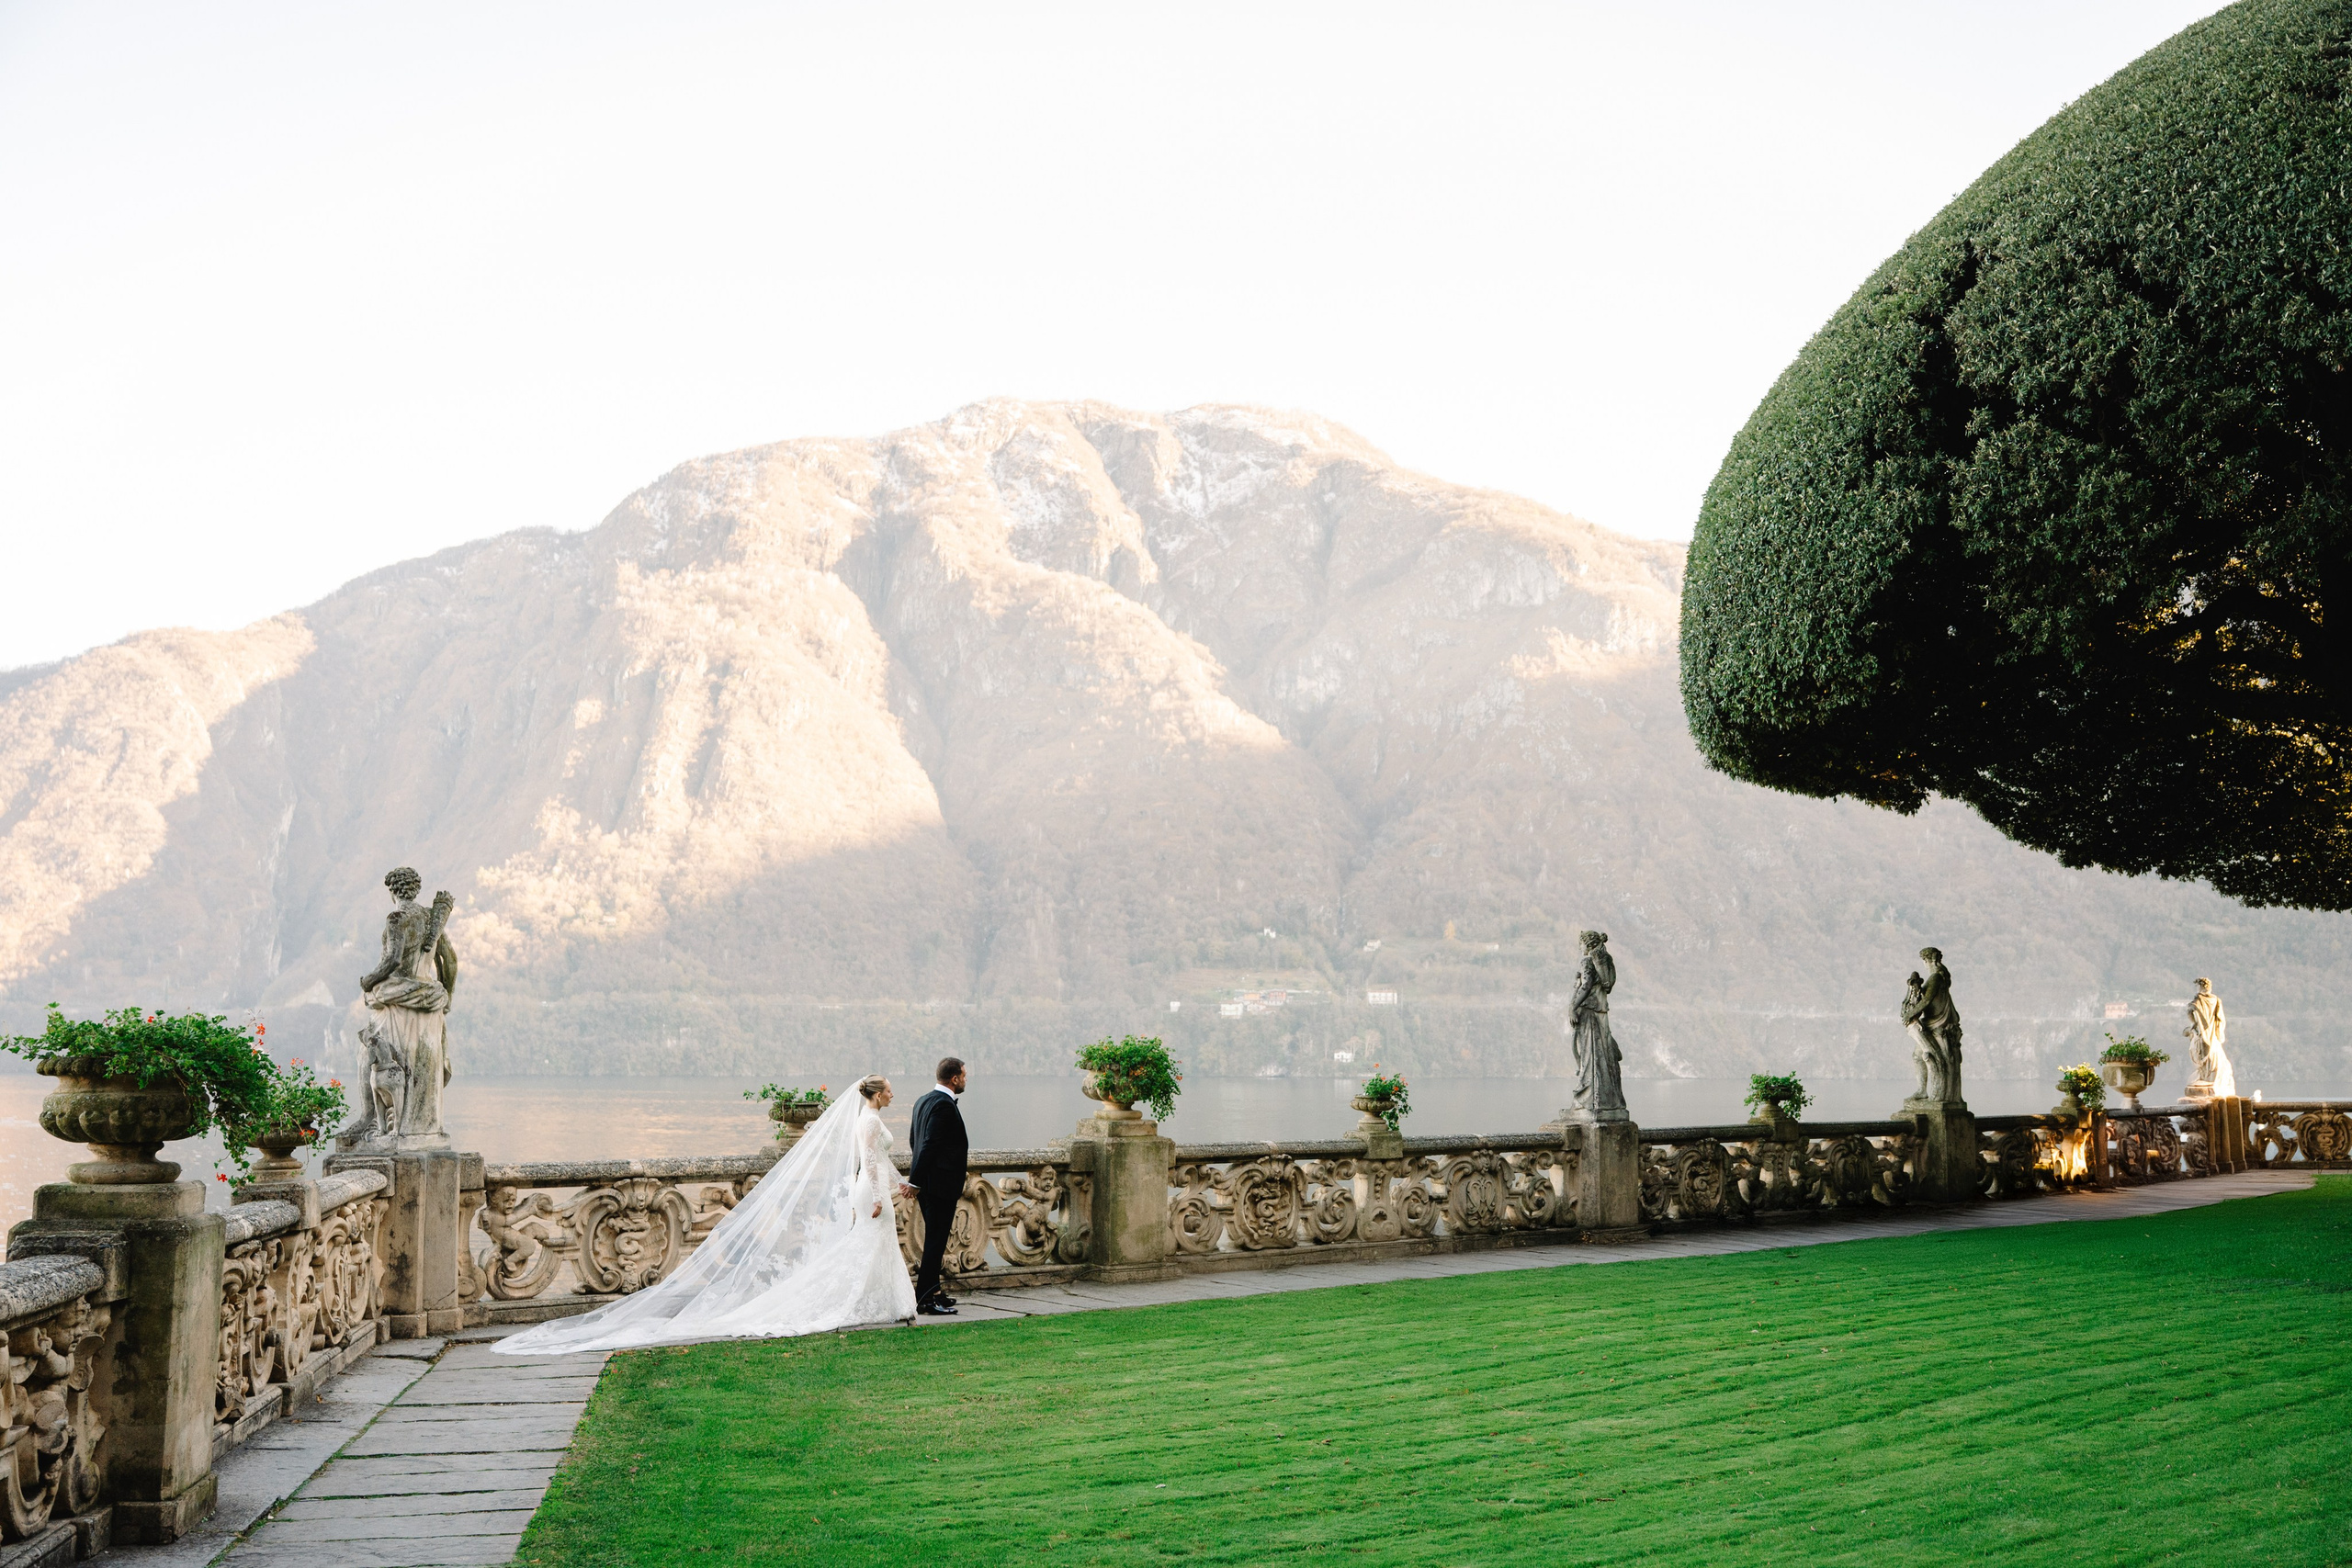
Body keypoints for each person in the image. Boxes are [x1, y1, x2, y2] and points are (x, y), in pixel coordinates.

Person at [491, 1073, 916, 1353]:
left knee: (874, 1244)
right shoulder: (867, 1122)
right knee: (869, 1242)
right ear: (877, 1093)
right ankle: (870, 1301)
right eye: (890, 1089)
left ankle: (884, 1301)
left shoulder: (869, 1119)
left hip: (876, 1189)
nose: (894, 1093)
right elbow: (868, 1160)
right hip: (870, 1191)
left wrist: (901, 1186)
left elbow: (882, 1159)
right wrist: (881, 1195)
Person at [907, 1057, 969, 1316]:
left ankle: (933, 1291)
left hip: (931, 1184)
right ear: (954, 1079)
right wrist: (915, 1181)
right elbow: (928, 1145)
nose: (966, 1079)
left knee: (937, 1239)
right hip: (939, 1186)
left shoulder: (923, 1100)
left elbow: (914, 1140)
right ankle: (924, 1299)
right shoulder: (943, 1105)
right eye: (964, 1075)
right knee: (935, 1240)